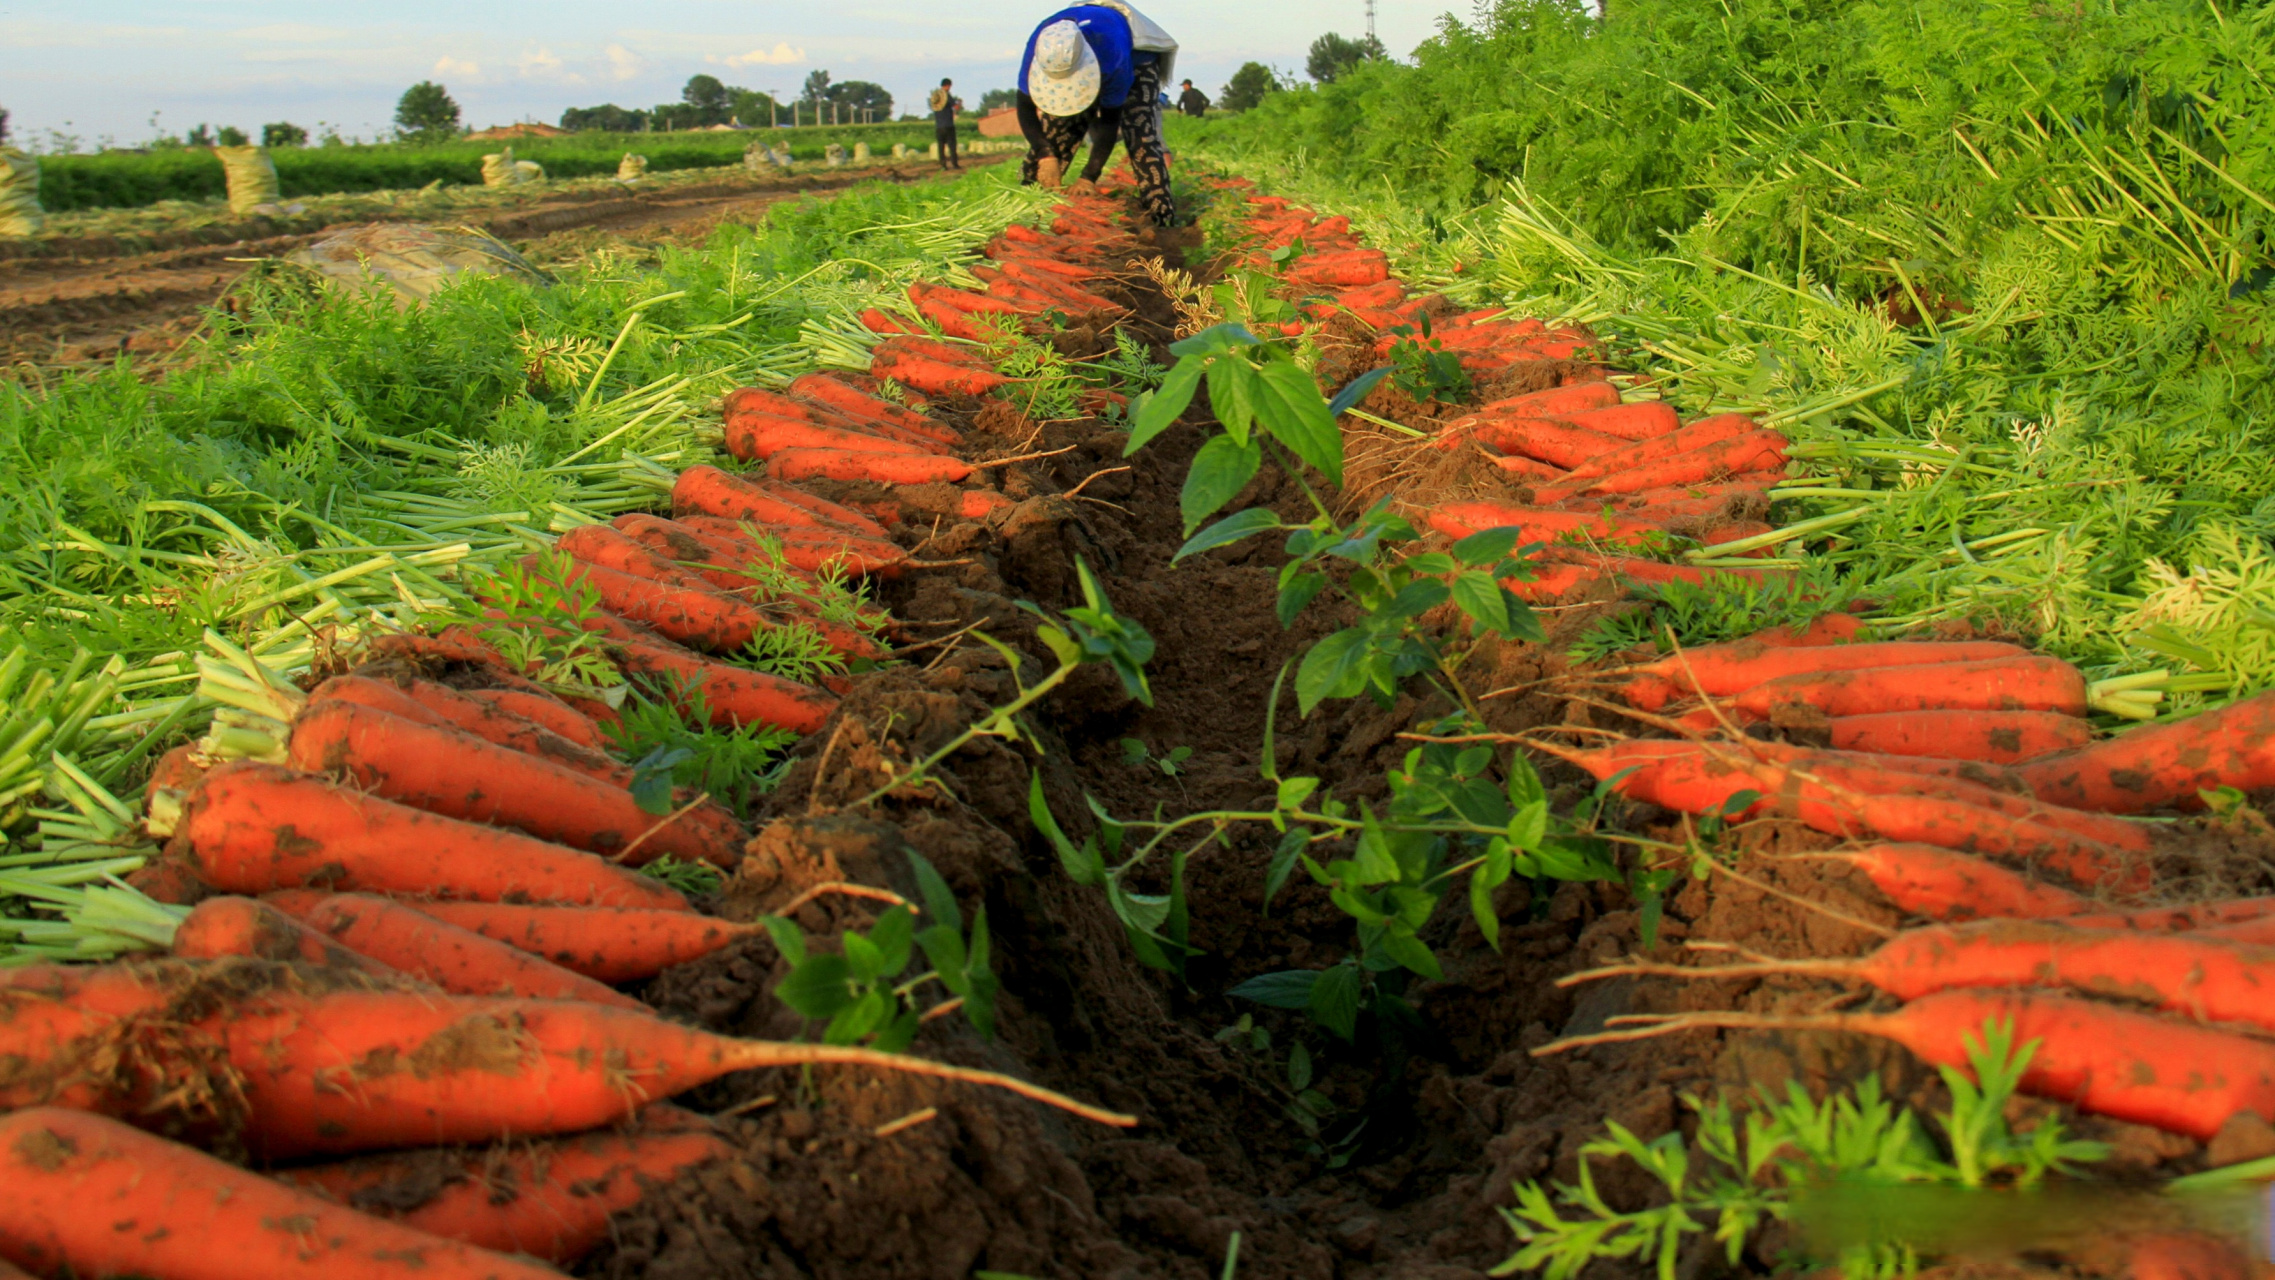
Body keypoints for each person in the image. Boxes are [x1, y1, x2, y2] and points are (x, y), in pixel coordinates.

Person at [1015, 2, 1179, 226]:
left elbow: (1109, 124)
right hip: (1088, 49)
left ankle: (1161, 221)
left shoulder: (1112, 56)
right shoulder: (1039, 48)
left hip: (1136, 56)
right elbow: (1024, 108)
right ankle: (1030, 216)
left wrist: (1089, 176)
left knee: (1140, 136)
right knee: (1057, 134)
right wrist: (1045, 154)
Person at [927, 77, 964, 170]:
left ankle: (943, 165)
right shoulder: (946, 95)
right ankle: (954, 164)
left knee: (941, 146)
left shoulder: (936, 97)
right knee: (952, 145)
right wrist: (959, 103)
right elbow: (955, 107)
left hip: (938, 126)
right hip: (948, 125)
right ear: (948, 85)